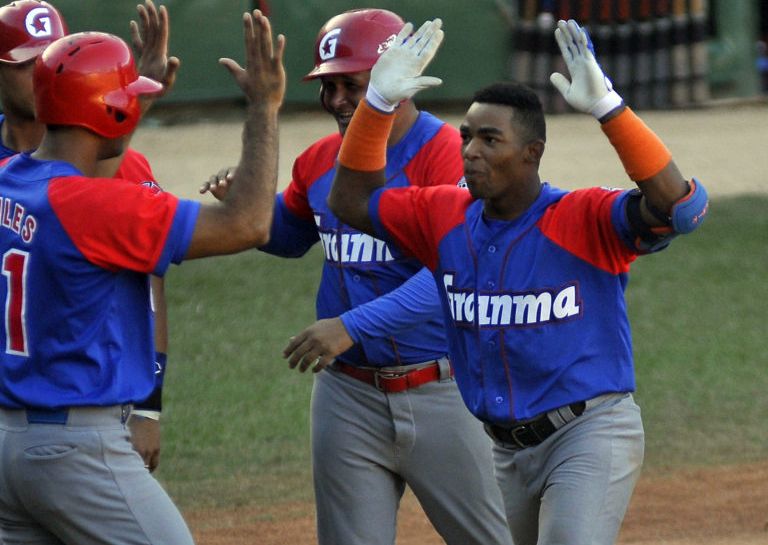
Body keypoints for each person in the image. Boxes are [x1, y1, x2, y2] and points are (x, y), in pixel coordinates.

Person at [329, 18, 708, 545]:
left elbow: (681, 207)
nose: (470, 152)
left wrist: (609, 110)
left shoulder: (583, 217)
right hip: (503, 453)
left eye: (490, 140)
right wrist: (376, 106)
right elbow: (350, 202)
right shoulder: (444, 216)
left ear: (532, 152)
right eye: (466, 138)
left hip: (588, 434)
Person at [201, 9, 512, 545]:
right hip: (346, 397)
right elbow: (290, 234)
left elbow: (454, 275)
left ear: (399, 81)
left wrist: (351, 325)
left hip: (444, 391)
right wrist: (246, 203)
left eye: (353, 84)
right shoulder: (321, 160)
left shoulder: (449, 160)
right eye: (330, 86)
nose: (338, 100)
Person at [0, 9, 284, 545]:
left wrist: (119, 100)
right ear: (108, 114)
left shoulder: (11, 180)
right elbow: (248, 224)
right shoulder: (93, 207)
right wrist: (264, 106)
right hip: (76, 452)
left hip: (10, 447)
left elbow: (81, 150)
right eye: (127, 102)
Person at [0, 0, 178, 472]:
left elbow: (149, 283)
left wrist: (148, 407)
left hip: (91, 405)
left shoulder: (125, 164)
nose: (40, 73)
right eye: (25, 64)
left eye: (48, 58)